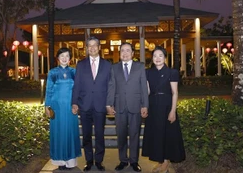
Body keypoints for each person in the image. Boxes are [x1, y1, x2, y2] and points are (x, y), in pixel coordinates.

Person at [142, 46, 186, 173]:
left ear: (165, 58)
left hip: (166, 106)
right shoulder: (148, 73)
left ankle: (166, 162)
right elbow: (148, 91)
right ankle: (160, 161)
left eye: (160, 55)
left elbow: (175, 93)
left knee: (167, 134)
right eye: (155, 56)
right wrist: (144, 105)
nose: (157, 58)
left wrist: (173, 111)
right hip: (153, 106)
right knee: (156, 134)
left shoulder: (172, 72)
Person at [106, 42, 148, 172]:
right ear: (119, 53)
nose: (125, 53)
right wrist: (109, 104)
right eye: (122, 50)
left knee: (135, 134)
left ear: (132, 53)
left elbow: (143, 88)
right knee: (121, 134)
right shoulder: (114, 68)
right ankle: (123, 160)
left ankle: (134, 161)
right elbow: (112, 86)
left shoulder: (140, 67)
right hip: (119, 106)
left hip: (136, 105)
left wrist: (145, 105)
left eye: (127, 50)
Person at [72, 36, 111, 171]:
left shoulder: (107, 65)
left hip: (101, 105)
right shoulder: (81, 64)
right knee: (87, 135)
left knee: (100, 135)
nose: (93, 48)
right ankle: (89, 161)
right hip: (85, 105)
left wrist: (110, 103)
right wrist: (74, 102)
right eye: (90, 46)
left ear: (99, 47)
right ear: (87, 48)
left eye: (95, 45)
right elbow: (77, 85)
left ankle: (99, 161)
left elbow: (110, 86)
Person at [44, 47, 81, 170]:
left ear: (70, 59)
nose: (64, 58)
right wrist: (47, 106)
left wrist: (77, 104)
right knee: (58, 132)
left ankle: (70, 161)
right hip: (57, 107)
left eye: (67, 56)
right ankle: (60, 161)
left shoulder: (74, 72)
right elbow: (48, 90)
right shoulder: (52, 73)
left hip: (70, 107)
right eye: (62, 56)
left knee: (70, 132)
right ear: (58, 58)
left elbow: (78, 90)